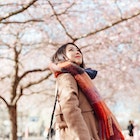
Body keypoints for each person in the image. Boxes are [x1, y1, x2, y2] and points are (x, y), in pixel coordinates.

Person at [49, 43, 124, 140]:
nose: (77, 52)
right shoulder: (66, 77)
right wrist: (83, 137)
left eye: (78, 50)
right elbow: (70, 108)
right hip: (80, 136)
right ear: (62, 56)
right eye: (71, 50)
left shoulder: (82, 78)